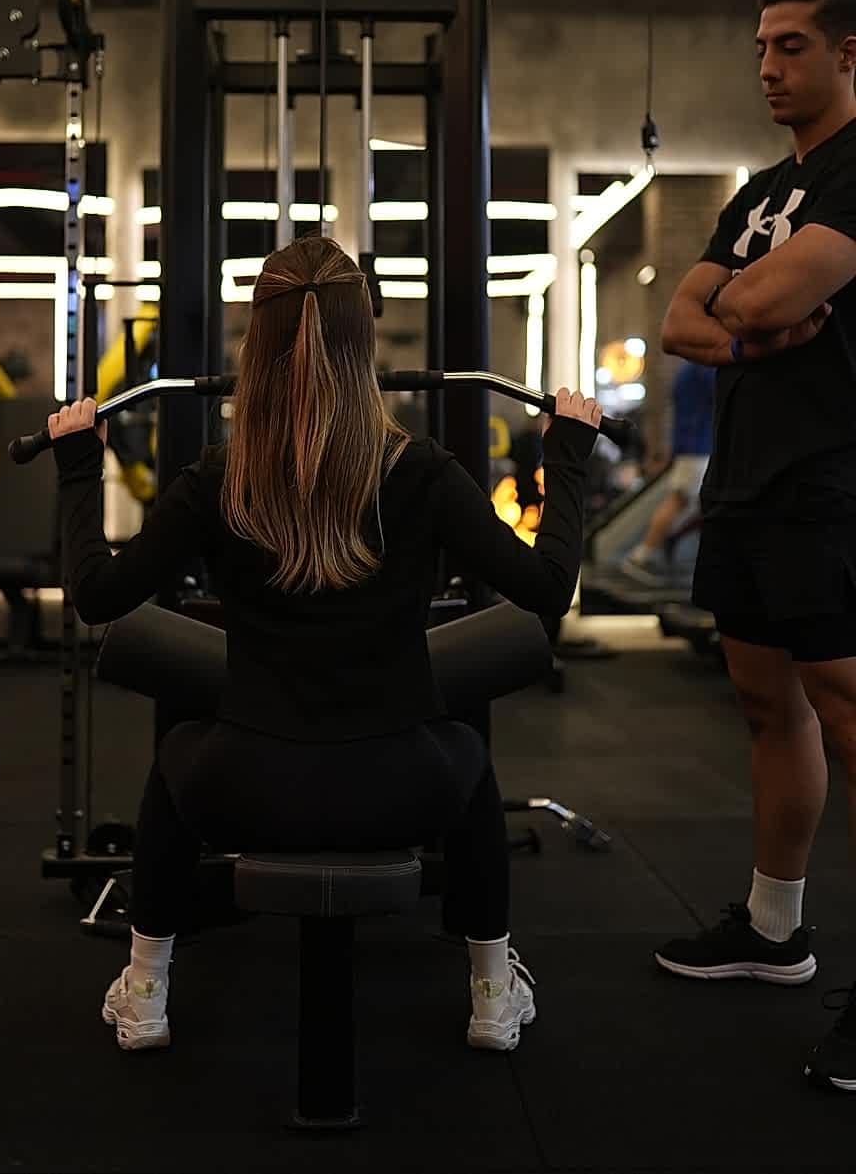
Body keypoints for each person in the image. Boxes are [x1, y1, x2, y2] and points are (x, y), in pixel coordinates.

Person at [48, 236, 602, 1057]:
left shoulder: (216, 478)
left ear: (255, 344)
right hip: (403, 791)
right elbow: (549, 588)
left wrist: (77, 467)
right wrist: (567, 455)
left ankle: (145, 989)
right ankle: (492, 993)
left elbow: (97, 594)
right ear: (364, 341)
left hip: (246, 790)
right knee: (471, 760)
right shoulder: (424, 472)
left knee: (174, 761)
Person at [656, 0, 856, 1091]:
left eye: (790, 46)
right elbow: (683, 319)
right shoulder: (760, 192)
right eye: (761, 49)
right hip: (744, 483)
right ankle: (775, 930)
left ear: (849, 54)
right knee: (764, 706)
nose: (768, 67)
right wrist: (745, 328)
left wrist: (740, 312)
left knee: (847, 717)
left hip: (830, 479)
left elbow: (757, 298)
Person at [620, 360, 715, 585]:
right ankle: (642, 555)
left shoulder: (687, 370)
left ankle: (659, 549)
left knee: (689, 503)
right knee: (681, 500)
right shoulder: (702, 368)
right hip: (697, 446)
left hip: (693, 444)